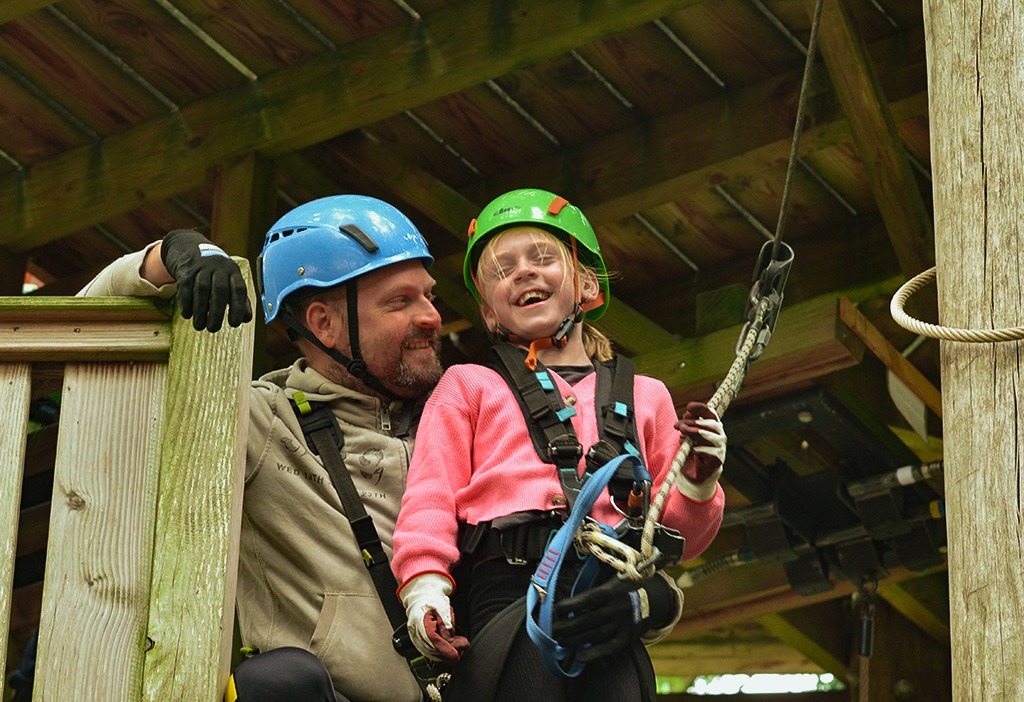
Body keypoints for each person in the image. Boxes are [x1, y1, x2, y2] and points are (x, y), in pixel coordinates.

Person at [80, 194, 444, 702]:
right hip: (329, 696)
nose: (431, 316)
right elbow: (81, 344)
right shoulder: (261, 419)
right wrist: (167, 257)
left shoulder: (463, 412)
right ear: (323, 324)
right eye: (400, 301)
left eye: (428, 296)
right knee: (278, 680)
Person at [390, 188, 728, 701]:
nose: (523, 271)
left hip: (609, 593)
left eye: (543, 257)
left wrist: (699, 483)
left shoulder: (645, 397)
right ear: (488, 312)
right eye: (502, 270)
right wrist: (425, 589)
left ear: (587, 283)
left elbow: (677, 535)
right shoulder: (469, 385)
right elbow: (429, 498)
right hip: (507, 591)